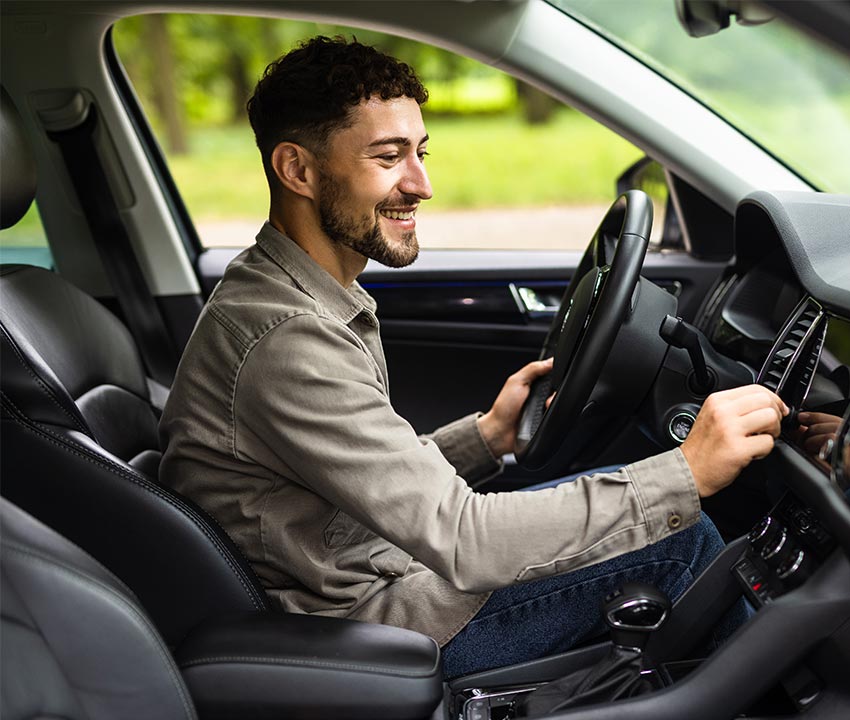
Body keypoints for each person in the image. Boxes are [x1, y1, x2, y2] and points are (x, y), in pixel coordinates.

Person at [159, 36, 787, 679]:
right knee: (681, 542)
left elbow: (357, 483)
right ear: (298, 170)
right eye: (388, 157)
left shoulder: (291, 292)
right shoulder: (287, 338)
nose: (422, 185)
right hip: (363, 629)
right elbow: (464, 540)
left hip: (383, 569)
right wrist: (687, 472)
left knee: (640, 502)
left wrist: (486, 437)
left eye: (421, 153)